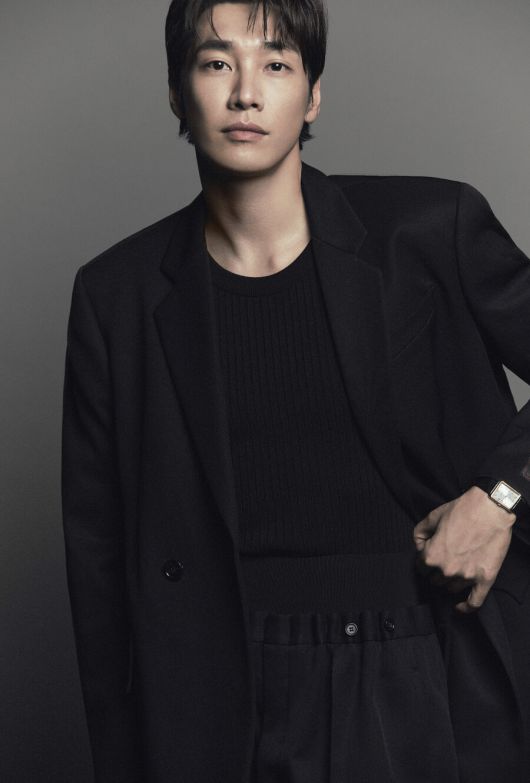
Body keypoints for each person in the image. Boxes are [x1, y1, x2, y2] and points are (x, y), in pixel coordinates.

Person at [61, 1, 530, 781]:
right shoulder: (117, 295)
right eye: (217, 62)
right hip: (225, 698)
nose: (246, 91)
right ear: (177, 91)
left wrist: (499, 497)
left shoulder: (426, 229)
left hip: (426, 672)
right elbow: (99, 563)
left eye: (275, 63)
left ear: (312, 96)